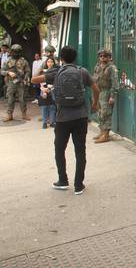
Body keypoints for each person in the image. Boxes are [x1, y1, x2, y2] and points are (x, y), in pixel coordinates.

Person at [32, 46, 99, 195]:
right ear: (75, 57)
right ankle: (79, 185)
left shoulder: (56, 72)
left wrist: (43, 66)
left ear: (61, 58)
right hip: (81, 116)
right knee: (80, 151)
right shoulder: (82, 71)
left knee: (59, 149)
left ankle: (62, 180)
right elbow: (96, 88)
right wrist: (95, 103)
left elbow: (34, 79)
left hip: (62, 119)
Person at [92, 48, 118, 143]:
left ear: (109, 57)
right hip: (99, 91)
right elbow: (94, 78)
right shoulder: (97, 66)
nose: (102, 58)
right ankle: (102, 131)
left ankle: (106, 135)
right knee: (100, 113)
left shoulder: (112, 68)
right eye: (101, 56)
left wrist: (112, 96)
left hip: (107, 92)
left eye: (105, 56)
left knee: (106, 113)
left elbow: (115, 84)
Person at [1, 44, 31, 121]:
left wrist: (26, 78)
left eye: (18, 51)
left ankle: (24, 114)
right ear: (12, 51)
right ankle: (9, 115)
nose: (16, 53)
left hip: (21, 82)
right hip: (11, 83)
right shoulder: (7, 60)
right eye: (15, 51)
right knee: (10, 99)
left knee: (22, 99)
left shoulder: (24, 61)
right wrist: (8, 73)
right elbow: (2, 71)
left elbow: (28, 71)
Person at [38, 57, 57, 129]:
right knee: (44, 107)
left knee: (52, 107)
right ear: (46, 63)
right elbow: (40, 81)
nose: (50, 63)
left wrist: (50, 88)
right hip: (44, 90)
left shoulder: (56, 71)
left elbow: (56, 81)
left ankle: (52, 122)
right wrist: (43, 90)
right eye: (48, 62)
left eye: (51, 61)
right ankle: (44, 122)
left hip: (52, 90)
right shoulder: (43, 71)